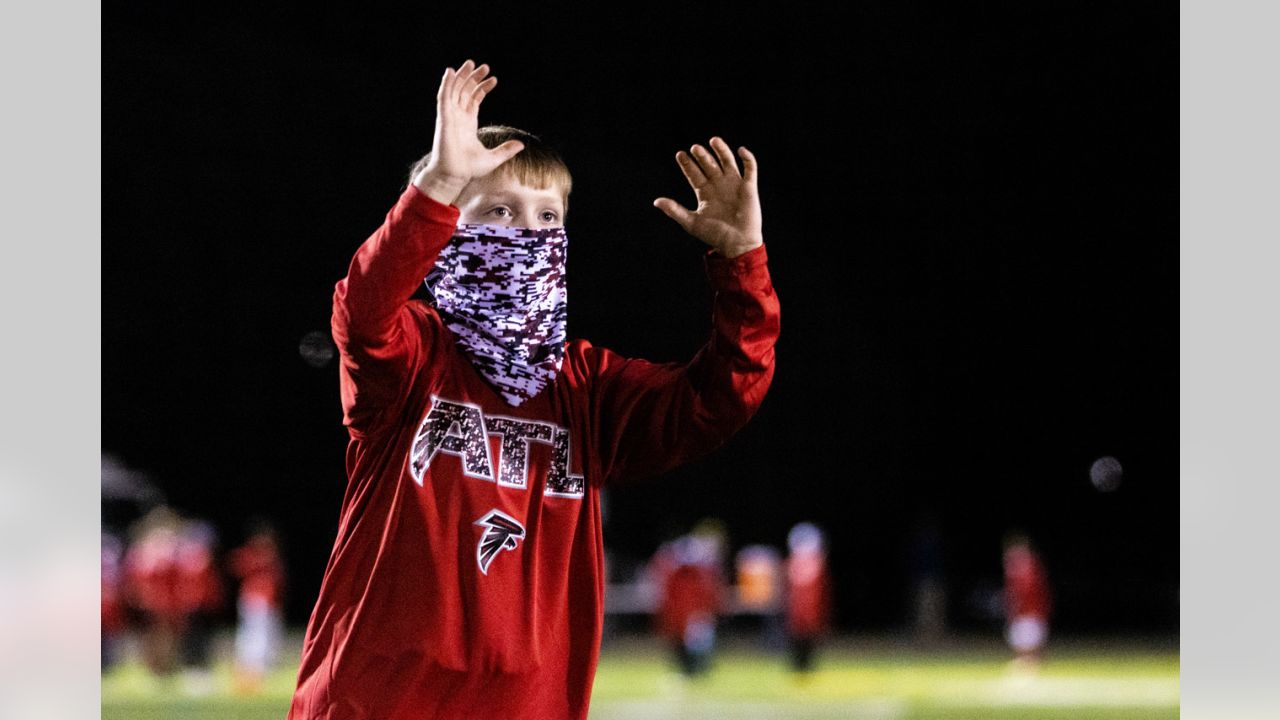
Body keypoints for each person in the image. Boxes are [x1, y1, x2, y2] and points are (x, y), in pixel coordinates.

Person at [287, 59, 779, 719]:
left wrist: (741, 266)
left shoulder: (586, 386)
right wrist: (438, 184)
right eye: (499, 211)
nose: (529, 232)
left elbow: (719, 401)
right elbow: (362, 309)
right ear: (447, 233)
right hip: (376, 702)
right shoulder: (413, 358)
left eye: (548, 217)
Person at [653, 521, 728, 676]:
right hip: (688, 608)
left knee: (700, 640)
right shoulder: (686, 563)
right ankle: (691, 669)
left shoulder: (704, 566)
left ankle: (698, 668)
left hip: (697, 608)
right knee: (688, 640)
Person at [229, 520, 287, 694]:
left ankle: (257, 675)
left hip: (269, 602)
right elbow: (234, 565)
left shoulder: (273, 556)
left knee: (268, 639)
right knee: (255, 638)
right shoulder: (253, 555)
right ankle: (249, 676)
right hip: (255, 601)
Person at [784, 522, 833, 673]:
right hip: (796, 612)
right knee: (796, 641)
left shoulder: (818, 564)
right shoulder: (791, 564)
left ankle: (807, 667)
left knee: (809, 641)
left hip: (811, 611)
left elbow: (823, 592)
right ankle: (798, 667)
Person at [1002, 532, 1052, 669]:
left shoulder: (1026, 567)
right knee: (1021, 639)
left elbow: (1028, 591)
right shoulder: (1019, 567)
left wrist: (1017, 605)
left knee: (1027, 639)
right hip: (1029, 612)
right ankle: (1028, 662)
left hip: (1030, 612)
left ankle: (1029, 663)